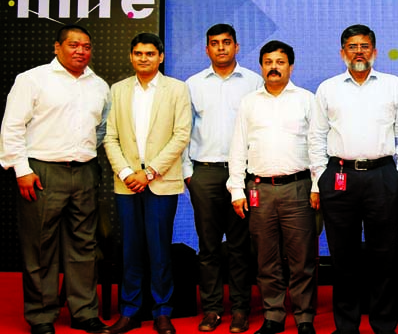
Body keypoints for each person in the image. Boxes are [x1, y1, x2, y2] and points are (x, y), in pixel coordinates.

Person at [0, 25, 110, 334]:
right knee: (40, 246)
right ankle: (41, 317)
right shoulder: (32, 80)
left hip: (86, 171)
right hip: (41, 172)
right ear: (57, 47)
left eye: (86, 46)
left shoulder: (99, 85)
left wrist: (85, 152)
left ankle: (84, 313)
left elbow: (100, 130)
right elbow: (12, 127)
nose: (80, 51)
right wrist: (21, 169)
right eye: (73, 45)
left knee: (84, 247)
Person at [308, 24, 398, 334]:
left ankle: (383, 325)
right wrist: (321, 177)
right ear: (342, 53)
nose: (358, 52)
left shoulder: (393, 86)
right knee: (343, 258)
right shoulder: (328, 88)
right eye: (352, 46)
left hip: (383, 176)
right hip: (339, 177)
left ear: (375, 52)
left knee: (384, 257)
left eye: (364, 46)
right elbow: (316, 136)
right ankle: (346, 326)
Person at [103, 33, 191, 334]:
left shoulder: (177, 89)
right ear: (131, 57)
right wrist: (127, 173)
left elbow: (181, 135)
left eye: (150, 53)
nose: (144, 58)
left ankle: (162, 311)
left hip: (161, 182)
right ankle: (129, 311)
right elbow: (110, 137)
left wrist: (150, 172)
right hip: (126, 183)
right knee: (130, 250)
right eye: (138, 53)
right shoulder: (118, 90)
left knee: (159, 250)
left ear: (161, 57)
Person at [227, 40, 318, 334]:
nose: (274, 67)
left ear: (290, 66)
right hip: (260, 190)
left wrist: (318, 185)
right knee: (265, 259)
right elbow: (238, 148)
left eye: (280, 62)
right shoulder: (249, 102)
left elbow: (317, 147)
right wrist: (237, 190)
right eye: (268, 62)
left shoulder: (306, 100)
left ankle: (304, 318)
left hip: (298, 187)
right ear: (261, 66)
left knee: (302, 258)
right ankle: (274, 316)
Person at [184, 23, 262, 333]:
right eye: (214, 43)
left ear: (237, 47)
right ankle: (213, 309)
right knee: (209, 246)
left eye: (226, 42)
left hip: (242, 175)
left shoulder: (254, 82)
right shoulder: (192, 84)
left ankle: (241, 308)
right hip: (204, 171)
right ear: (207, 49)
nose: (221, 48)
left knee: (241, 247)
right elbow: (182, 131)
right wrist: (188, 174)